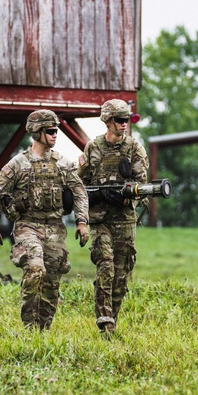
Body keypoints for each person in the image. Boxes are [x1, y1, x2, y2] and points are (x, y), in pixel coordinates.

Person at [0, 110, 89, 330]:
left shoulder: (63, 164)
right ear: (37, 132)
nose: (55, 135)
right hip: (27, 226)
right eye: (50, 131)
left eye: (56, 131)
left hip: (55, 227)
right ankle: (29, 327)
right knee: (35, 269)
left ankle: (43, 331)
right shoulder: (17, 164)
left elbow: (80, 192)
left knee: (52, 281)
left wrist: (82, 222)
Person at [77, 99, 148, 335]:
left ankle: (111, 323)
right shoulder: (93, 147)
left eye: (126, 119)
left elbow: (142, 184)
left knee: (121, 275)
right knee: (105, 265)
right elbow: (81, 184)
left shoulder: (134, 148)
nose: (124, 124)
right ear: (107, 121)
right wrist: (88, 210)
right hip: (100, 219)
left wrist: (127, 196)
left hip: (124, 219)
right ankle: (104, 317)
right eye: (119, 120)